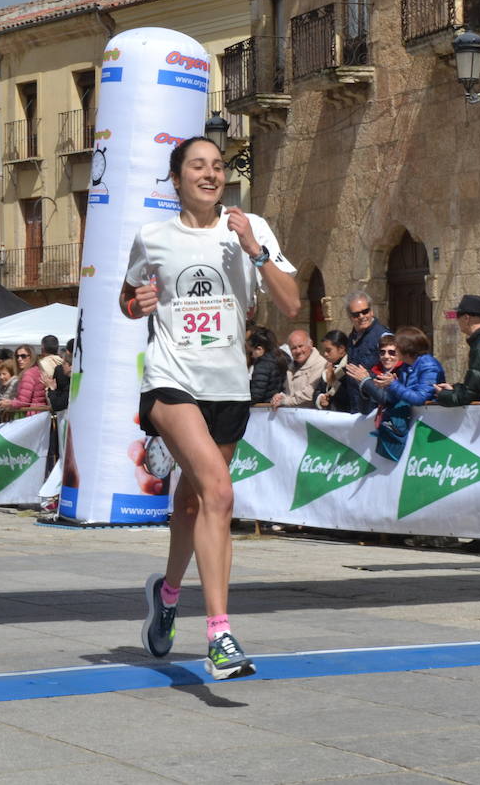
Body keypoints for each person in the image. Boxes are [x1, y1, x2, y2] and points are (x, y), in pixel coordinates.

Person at [120, 135, 298, 681]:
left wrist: (255, 251)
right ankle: (219, 634)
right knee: (220, 491)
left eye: (218, 166)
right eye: (197, 166)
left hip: (228, 386)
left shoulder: (250, 227)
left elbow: (291, 303)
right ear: (177, 178)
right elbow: (128, 300)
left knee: (195, 501)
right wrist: (138, 305)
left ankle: (168, 593)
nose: (210, 174)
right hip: (171, 380)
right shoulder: (152, 236)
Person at [366, 326, 443, 461]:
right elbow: (399, 394)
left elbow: (420, 398)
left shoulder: (428, 365)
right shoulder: (408, 366)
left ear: (405, 349)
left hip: (430, 426)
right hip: (413, 424)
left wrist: (392, 384)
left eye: (396, 347)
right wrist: (381, 385)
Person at [343, 291, 390, 414]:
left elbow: (392, 373)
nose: (362, 316)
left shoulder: (383, 336)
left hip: (375, 408)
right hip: (356, 407)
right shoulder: (352, 337)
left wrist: (367, 378)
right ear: (350, 317)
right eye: (356, 314)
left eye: (365, 311)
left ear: (371, 311)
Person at [270, 329, 325, 409]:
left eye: (301, 346)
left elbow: (309, 394)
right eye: (293, 348)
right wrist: (281, 396)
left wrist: (285, 401)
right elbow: (289, 392)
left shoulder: (320, 364)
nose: (298, 351)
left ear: (310, 344)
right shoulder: (291, 367)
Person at [0, 345, 46, 419]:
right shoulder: (37, 370)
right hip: (40, 414)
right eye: (17, 356)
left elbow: (23, 401)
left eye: (23, 356)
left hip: (31, 415)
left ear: (31, 357)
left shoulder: (28, 374)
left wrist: (7, 403)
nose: (19, 359)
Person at [313, 329, 355, 412]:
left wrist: (334, 382)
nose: (325, 354)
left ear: (341, 349)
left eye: (328, 350)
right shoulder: (328, 367)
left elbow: (350, 397)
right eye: (324, 350)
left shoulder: (350, 368)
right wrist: (320, 398)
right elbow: (317, 390)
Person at [247, 326, 287, 404]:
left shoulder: (262, 364)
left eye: (252, 352)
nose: (252, 356)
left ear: (259, 349)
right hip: (280, 405)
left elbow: (256, 395)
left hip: (265, 408)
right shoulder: (283, 357)